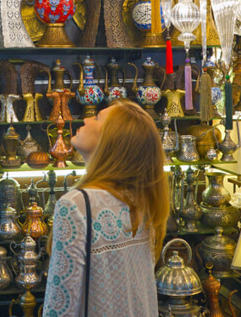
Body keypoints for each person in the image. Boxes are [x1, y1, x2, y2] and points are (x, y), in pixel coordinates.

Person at [42, 101, 169, 317]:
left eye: (98, 118)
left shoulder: (76, 204)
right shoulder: (144, 200)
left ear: (112, 141)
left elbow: (60, 305)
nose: (86, 119)